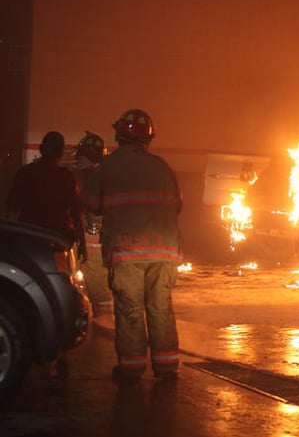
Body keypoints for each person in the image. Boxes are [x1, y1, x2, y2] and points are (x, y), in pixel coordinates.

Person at [81, 109, 183, 383]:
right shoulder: (162, 167)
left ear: (119, 136)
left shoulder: (108, 167)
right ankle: (167, 367)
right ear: (147, 140)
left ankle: (132, 368)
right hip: (164, 252)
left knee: (129, 309)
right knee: (160, 307)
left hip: (126, 251)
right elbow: (178, 206)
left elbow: (90, 203)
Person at [6, 131, 87, 262]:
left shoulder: (24, 174)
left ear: (41, 149)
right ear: (60, 152)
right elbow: (76, 214)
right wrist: (82, 244)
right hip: (57, 241)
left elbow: (11, 210)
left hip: (28, 239)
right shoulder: (65, 178)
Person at [73, 131, 112, 315]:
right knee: (100, 294)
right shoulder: (108, 176)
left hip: (79, 239)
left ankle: (98, 334)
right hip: (100, 240)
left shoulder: (75, 177)